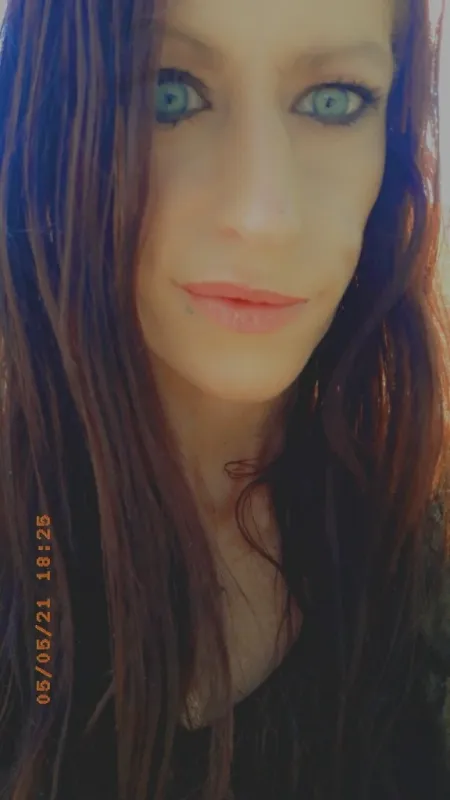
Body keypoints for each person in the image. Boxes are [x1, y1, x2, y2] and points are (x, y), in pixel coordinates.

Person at [0, 0, 449, 797]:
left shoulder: (422, 567)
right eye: (168, 91)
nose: (264, 216)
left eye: (333, 100)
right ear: (50, 116)